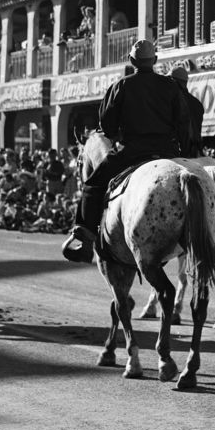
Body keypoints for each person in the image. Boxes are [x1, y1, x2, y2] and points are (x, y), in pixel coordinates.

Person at [61, 38, 192, 264]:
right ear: (155, 60)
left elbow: (107, 127)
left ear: (132, 61)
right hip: (168, 152)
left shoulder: (121, 86)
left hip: (132, 151)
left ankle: (85, 238)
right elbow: (183, 124)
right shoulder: (171, 86)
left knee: (92, 185)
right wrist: (184, 154)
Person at [170, 66, 205, 156]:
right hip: (195, 150)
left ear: (174, 81)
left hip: (178, 149)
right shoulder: (197, 103)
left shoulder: (172, 100)